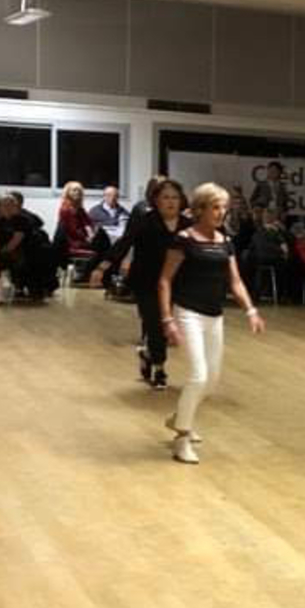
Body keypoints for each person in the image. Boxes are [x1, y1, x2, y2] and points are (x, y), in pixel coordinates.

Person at [157, 183, 265, 464]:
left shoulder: (224, 241)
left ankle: (180, 417)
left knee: (212, 380)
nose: (221, 213)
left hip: (214, 316)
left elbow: (235, 281)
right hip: (187, 313)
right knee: (198, 376)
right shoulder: (184, 240)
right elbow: (165, 280)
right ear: (200, 209)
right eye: (215, 207)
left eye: (224, 208)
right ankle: (182, 438)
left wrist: (251, 310)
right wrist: (167, 319)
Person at [92, 178, 189, 390]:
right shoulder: (145, 221)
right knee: (155, 323)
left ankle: (148, 354)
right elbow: (125, 242)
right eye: (165, 197)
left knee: (164, 324)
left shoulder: (187, 224)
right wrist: (102, 267)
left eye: (175, 197)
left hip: (174, 282)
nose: (171, 202)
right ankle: (159, 368)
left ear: (181, 201)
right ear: (156, 200)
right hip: (146, 280)